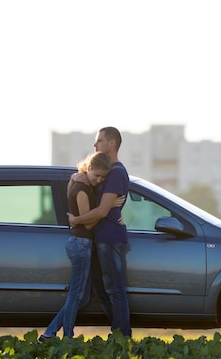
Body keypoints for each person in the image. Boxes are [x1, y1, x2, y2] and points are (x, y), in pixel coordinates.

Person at [39, 151, 122, 342]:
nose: (100, 180)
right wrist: (107, 208)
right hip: (81, 244)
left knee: (82, 298)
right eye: (97, 175)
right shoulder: (82, 189)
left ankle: (48, 333)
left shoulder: (79, 180)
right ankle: (67, 337)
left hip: (82, 244)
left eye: (103, 177)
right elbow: (89, 224)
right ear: (89, 168)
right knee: (76, 295)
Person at [68, 126, 131, 337]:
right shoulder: (105, 172)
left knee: (114, 290)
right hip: (99, 238)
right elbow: (94, 191)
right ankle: (118, 335)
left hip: (110, 239)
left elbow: (103, 211)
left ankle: (122, 336)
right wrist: (79, 177)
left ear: (112, 143)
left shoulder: (116, 173)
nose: (95, 145)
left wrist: (76, 219)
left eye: (99, 141)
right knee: (102, 290)